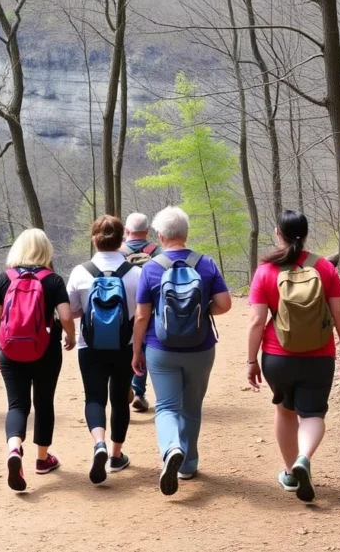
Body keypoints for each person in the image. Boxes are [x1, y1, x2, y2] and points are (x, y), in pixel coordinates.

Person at [246, 210, 340, 503]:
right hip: (319, 356)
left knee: (285, 411)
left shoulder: (266, 271)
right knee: (313, 414)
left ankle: (291, 474)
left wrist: (251, 360)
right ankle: (304, 458)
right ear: (305, 235)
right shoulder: (323, 267)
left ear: (278, 234)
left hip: (277, 356)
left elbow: (257, 321)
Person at [132, 206, 232, 496]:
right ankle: (188, 464)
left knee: (166, 407)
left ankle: (171, 448)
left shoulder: (150, 268)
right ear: (185, 234)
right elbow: (225, 304)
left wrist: (136, 350)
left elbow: (141, 316)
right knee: (191, 407)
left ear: (160, 236)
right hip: (200, 348)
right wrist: (198, 316)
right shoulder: (206, 263)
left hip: (160, 349)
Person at [0, 228, 75, 492]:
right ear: (46, 249)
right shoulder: (54, 280)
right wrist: (70, 336)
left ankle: (14, 449)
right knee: (44, 402)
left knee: (17, 405)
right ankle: (42, 459)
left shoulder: (5, 278)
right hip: (46, 350)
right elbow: (67, 317)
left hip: (11, 351)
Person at [67, 216, 141, 485]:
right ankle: (115, 455)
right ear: (122, 240)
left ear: (94, 239)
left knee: (94, 398)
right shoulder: (136, 273)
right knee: (120, 399)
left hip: (90, 346)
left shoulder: (80, 272)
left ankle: (98, 443)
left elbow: (72, 310)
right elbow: (143, 313)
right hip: (125, 345)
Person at [121, 212, 162, 413]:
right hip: (149, 310)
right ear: (147, 232)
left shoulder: (117, 252)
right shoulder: (157, 252)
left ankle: (124, 385)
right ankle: (138, 392)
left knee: (123, 347)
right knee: (142, 349)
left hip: (120, 309)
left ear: (126, 231)